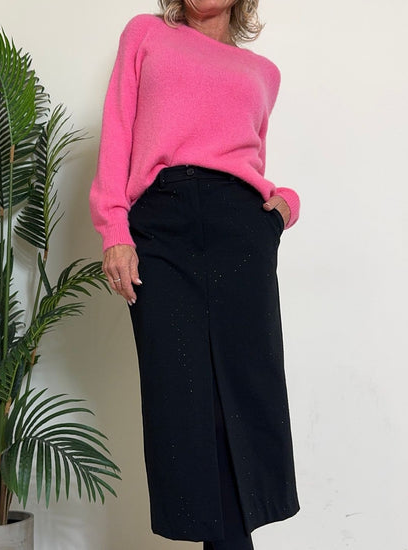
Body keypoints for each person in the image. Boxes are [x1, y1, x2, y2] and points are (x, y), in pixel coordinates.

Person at [89, 1, 301, 548]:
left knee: (244, 400)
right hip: (161, 227)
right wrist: (114, 228)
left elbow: (249, 159)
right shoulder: (145, 35)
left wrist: (280, 210)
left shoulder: (263, 72)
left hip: (240, 232)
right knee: (182, 402)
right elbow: (117, 131)